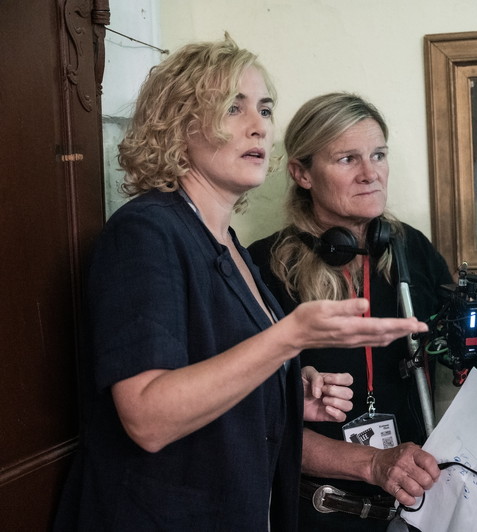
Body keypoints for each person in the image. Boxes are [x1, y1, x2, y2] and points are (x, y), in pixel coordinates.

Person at [53, 37, 427, 532]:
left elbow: (216, 381)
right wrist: (288, 338)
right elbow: (148, 417)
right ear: (178, 123)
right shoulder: (145, 231)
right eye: (233, 107)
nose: (259, 126)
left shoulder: (227, 243)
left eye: (264, 109)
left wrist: (286, 390)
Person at [248, 92, 455, 531]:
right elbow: (255, 421)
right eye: (347, 159)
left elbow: (461, 352)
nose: (370, 173)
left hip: (416, 508)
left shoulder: (411, 248)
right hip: (318, 512)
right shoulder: (262, 267)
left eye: (378, 155)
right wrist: (372, 463)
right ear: (302, 173)